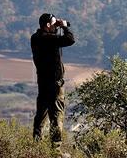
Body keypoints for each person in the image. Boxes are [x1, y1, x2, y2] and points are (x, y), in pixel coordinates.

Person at [31, 13, 75, 158]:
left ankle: (36, 148)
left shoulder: (36, 38)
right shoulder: (48, 39)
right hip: (54, 86)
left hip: (43, 84)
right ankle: (55, 152)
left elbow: (53, 38)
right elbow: (70, 40)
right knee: (56, 117)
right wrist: (63, 26)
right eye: (53, 24)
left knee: (40, 117)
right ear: (48, 25)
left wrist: (55, 26)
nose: (56, 26)